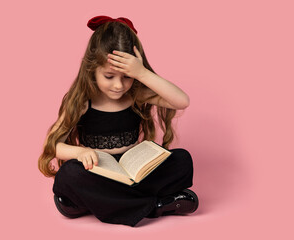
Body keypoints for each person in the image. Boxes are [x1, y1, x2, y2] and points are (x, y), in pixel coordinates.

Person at [38, 15, 199, 227]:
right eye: (109, 76)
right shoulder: (83, 100)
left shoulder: (135, 94)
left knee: (182, 160)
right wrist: (80, 153)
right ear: (92, 70)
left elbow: (182, 101)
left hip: (133, 173)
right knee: (69, 175)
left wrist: (142, 73)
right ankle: (156, 206)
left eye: (126, 76)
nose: (118, 86)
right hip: (100, 173)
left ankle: (96, 203)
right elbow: (53, 145)